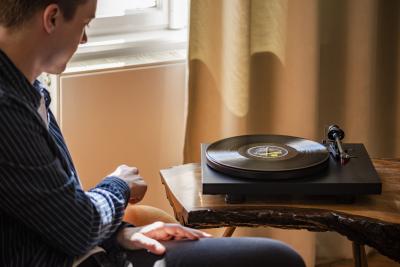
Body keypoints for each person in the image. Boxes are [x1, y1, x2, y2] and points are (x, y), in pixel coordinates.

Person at [0, 0, 306, 266]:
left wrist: (122, 233)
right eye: (84, 23)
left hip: (87, 250)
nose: (84, 38)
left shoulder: (28, 89)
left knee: (273, 256)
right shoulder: (7, 110)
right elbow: (77, 227)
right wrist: (118, 185)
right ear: (51, 18)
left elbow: (50, 212)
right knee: (277, 259)